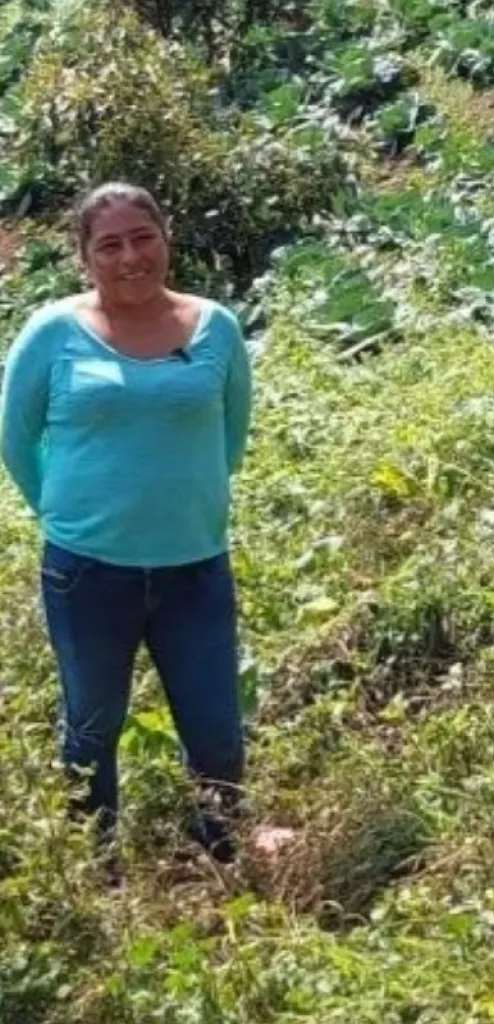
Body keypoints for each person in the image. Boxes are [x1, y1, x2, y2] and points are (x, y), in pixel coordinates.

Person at [0, 182, 253, 864]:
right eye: (109, 245)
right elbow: (15, 438)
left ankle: (220, 861)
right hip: (87, 572)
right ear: (85, 257)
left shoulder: (215, 328)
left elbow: (231, 437)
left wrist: (183, 503)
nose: (130, 257)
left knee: (217, 732)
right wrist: (65, 514)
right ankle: (97, 869)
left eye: (143, 237)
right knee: (91, 728)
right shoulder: (52, 333)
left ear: (166, 238)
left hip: (194, 566)